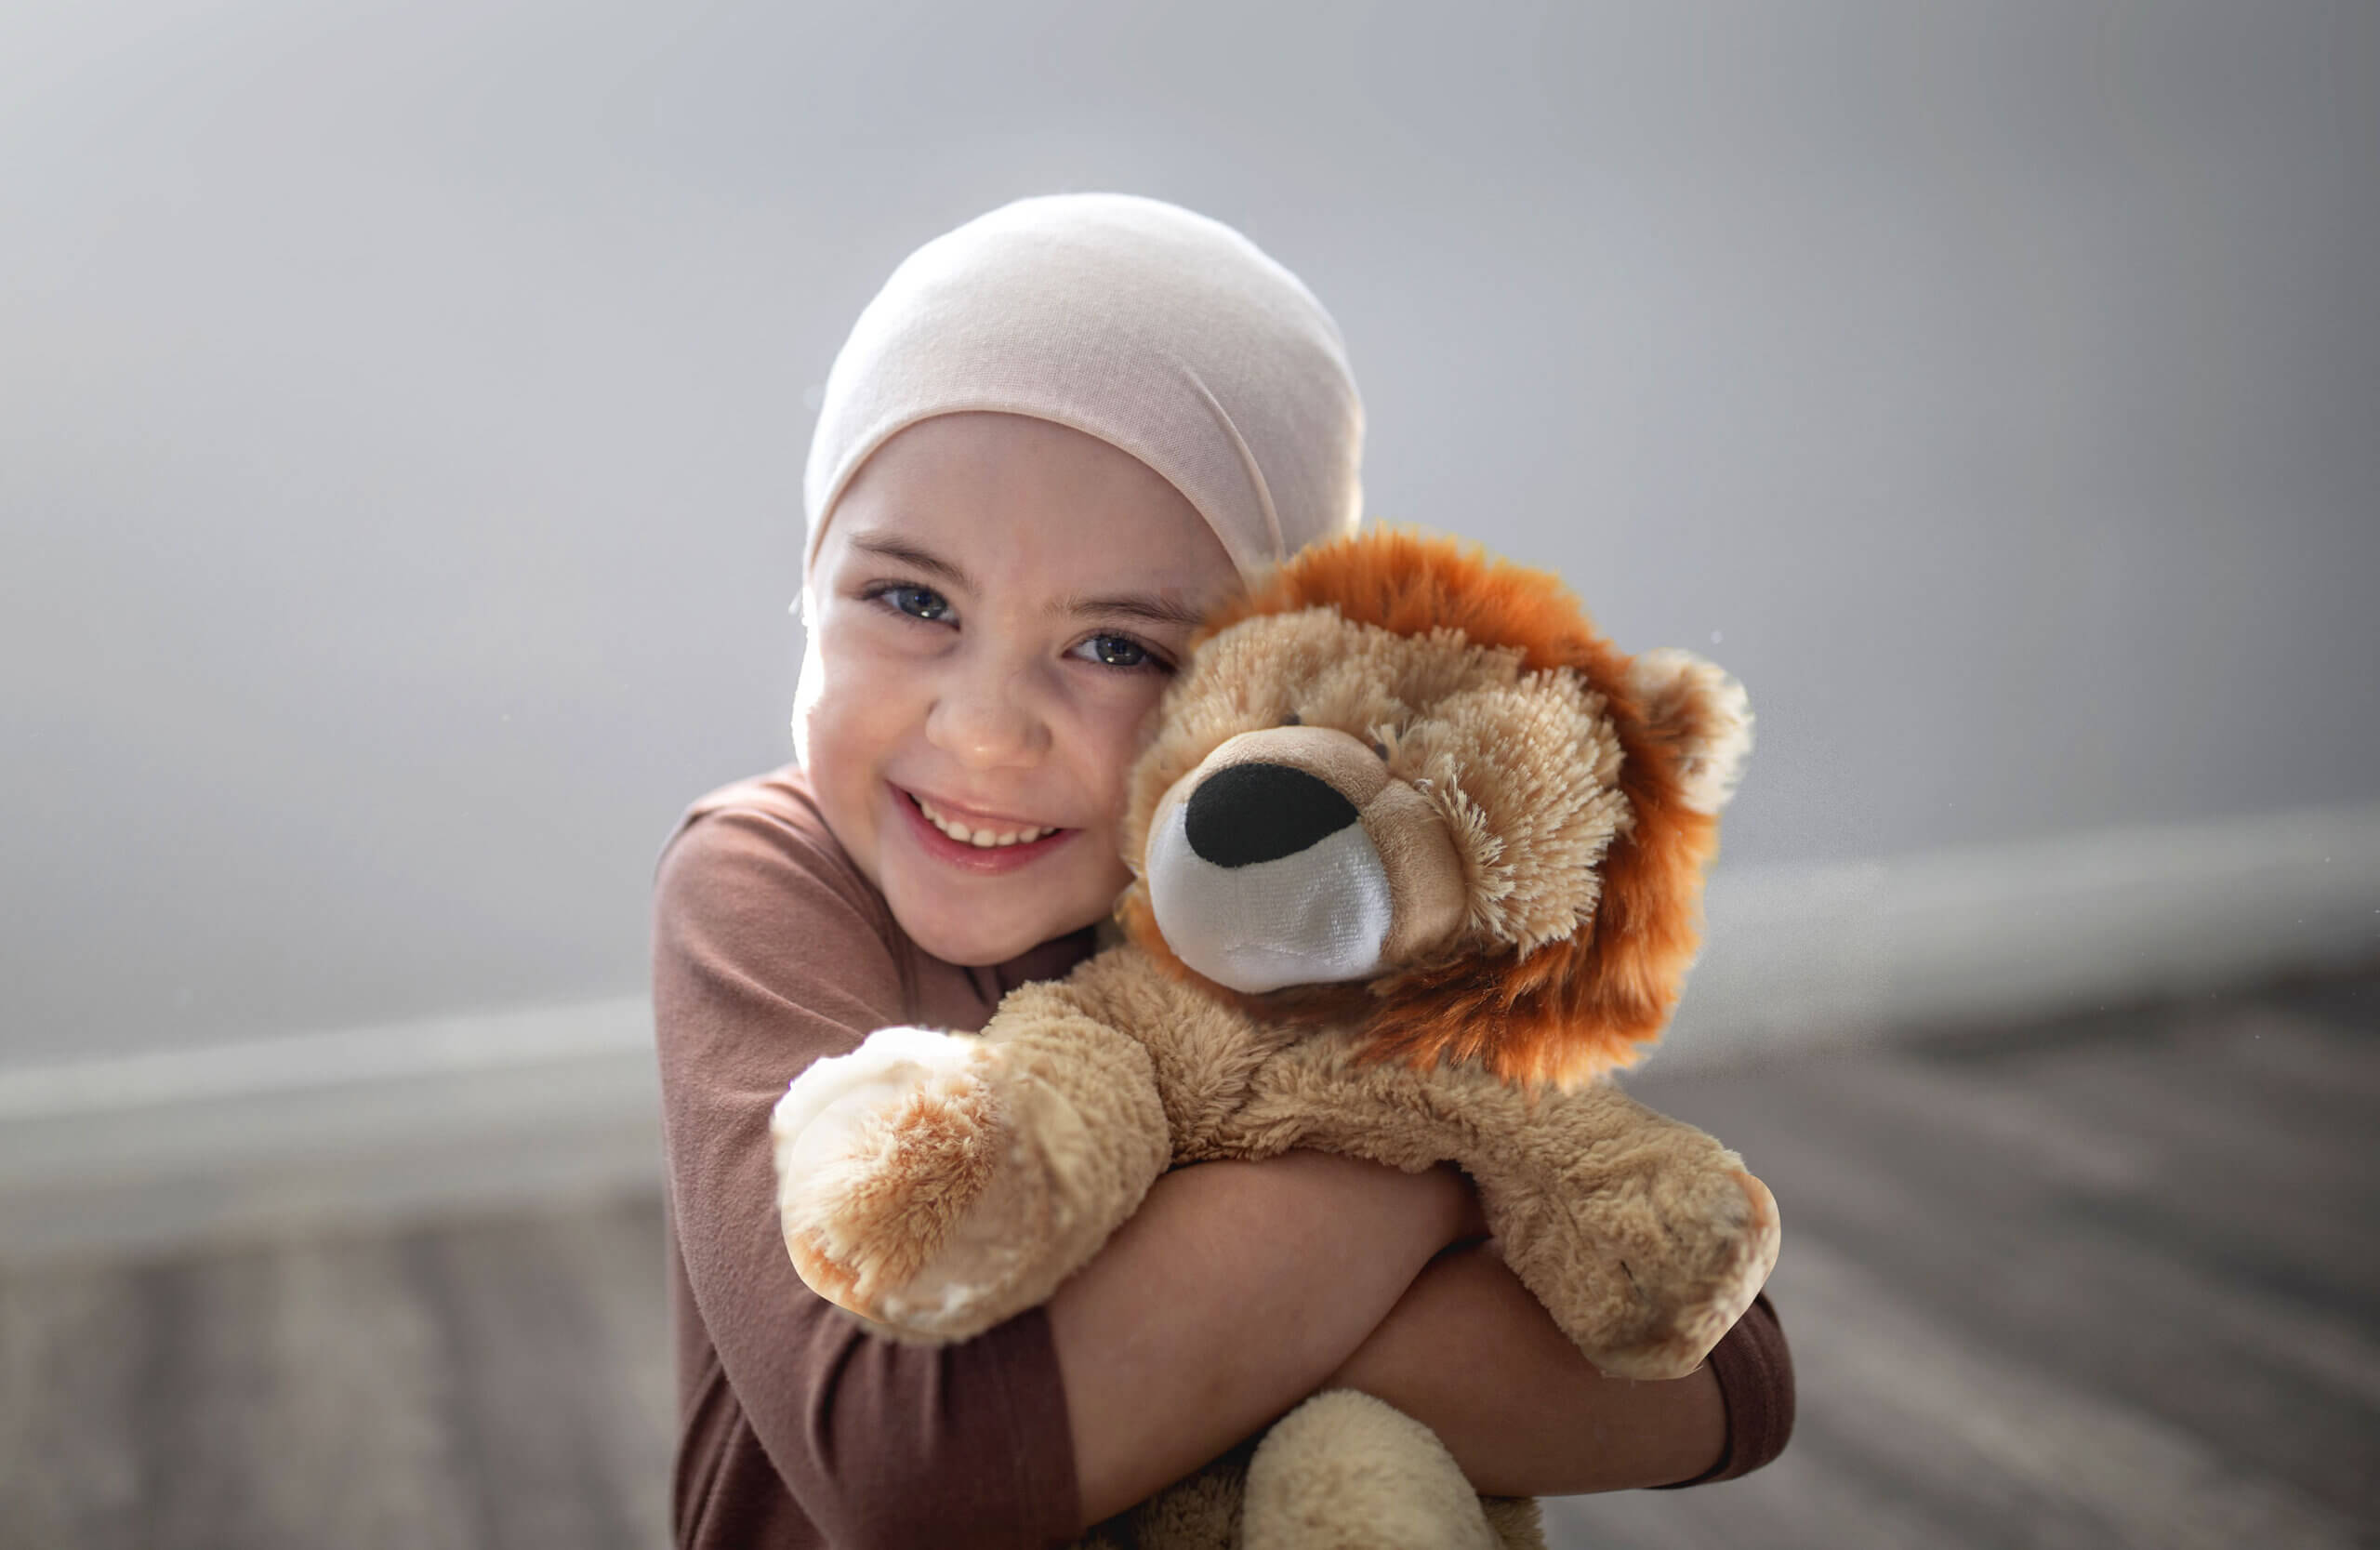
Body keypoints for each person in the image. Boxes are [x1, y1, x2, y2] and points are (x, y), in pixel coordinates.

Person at [651, 194, 1792, 1550]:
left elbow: (1723, 1380)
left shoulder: (1317, 888)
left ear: (1259, 677)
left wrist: (1151, 1375)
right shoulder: (761, 883)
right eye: (911, 602)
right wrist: (1421, 1168)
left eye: (1120, 647)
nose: (983, 731)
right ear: (809, 582)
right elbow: (915, 1471)